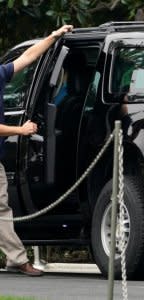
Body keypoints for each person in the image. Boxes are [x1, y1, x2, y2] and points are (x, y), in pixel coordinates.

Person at [0, 24, 73, 276]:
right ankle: (18, 260)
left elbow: (28, 57)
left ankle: (14, 258)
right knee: (0, 209)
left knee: (0, 209)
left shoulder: (0, 74)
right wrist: (21, 130)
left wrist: (51, 37)